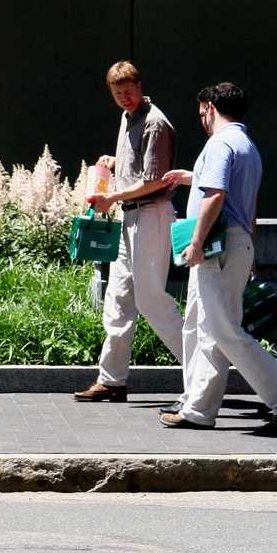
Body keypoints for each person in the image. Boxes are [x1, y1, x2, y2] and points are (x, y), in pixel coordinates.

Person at [158, 82, 277, 429]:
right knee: (205, 326)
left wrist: (196, 242)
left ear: (211, 108)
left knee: (223, 329)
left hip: (217, 246)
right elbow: (245, 200)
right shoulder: (246, 145)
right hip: (236, 243)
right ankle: (198, 408)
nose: (202, 120)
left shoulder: (220, 143)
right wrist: (192, 178)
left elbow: (216, 194)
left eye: (202, 114)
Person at [73, 61, 185, 403]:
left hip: (151, 215)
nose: (125, 98)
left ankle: (205, 372)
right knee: (118, 298)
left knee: (151, 300)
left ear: (140, 86)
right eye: (118, 93)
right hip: (131, 216)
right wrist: (115, 162)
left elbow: (155, 180)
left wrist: (112, 197)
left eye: (129, 91)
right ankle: (111, 380)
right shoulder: (128, 117)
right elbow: (139, 168)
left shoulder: (155, 123)